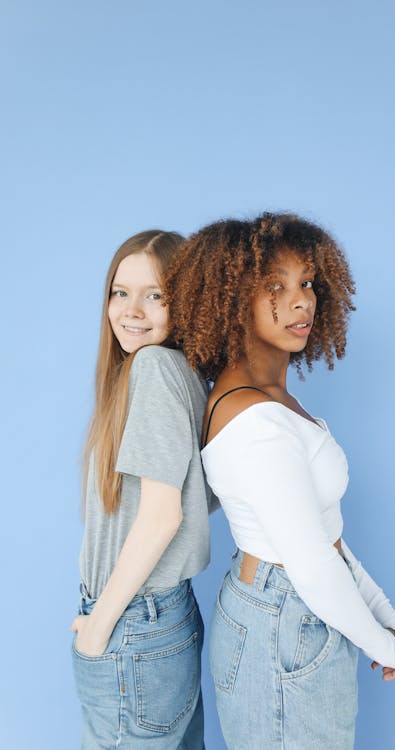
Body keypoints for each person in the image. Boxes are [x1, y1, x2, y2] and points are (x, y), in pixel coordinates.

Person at [164, 213, 395, 750]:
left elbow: (326, 535)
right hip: (288, 618)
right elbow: (310, 562)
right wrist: (382, 646)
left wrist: (381, 610)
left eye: (306, 283)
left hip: (288, 611)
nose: (301, 301)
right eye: (275, 287)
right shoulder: (257, 422)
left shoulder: (271, 401)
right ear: (233, 302)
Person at [71, 230, 211, 749]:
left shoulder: (152, 369)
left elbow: (161, 516)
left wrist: (98, 624)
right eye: (119, 292)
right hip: (163, 617)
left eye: (155, 295)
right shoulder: (185, 374)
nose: (131, 310)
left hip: (134, 621)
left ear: (185, 303)